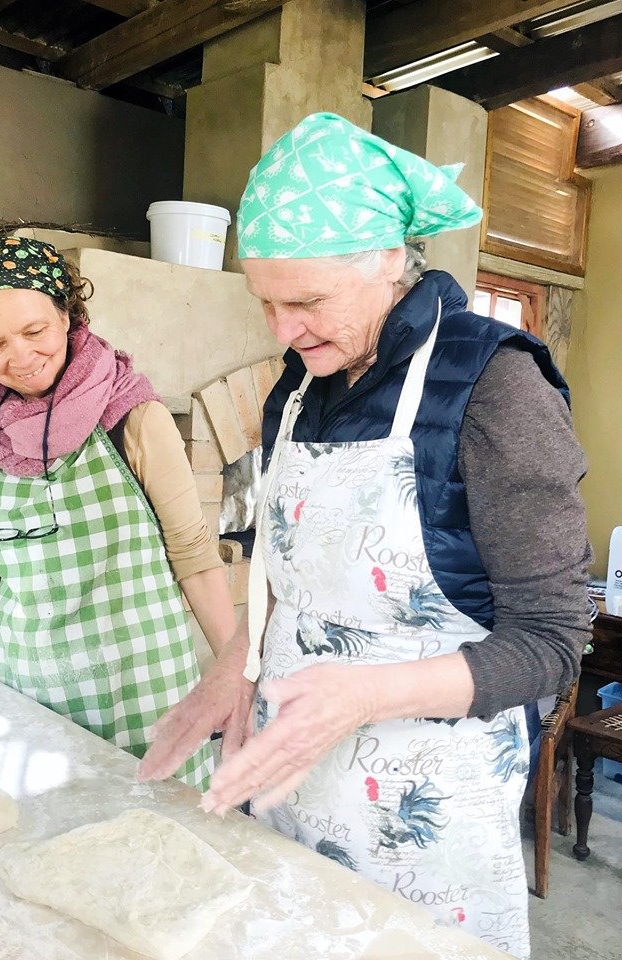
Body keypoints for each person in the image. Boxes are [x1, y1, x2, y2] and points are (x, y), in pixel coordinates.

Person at [137, 114, 592, 956]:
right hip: (291, 771)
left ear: (389, 258)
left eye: (306, 301)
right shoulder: (298, 389)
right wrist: (236, 665)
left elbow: (554, 642)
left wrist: (361, 695)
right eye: (264, 302)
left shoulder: (496, 386)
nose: (283, 331)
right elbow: (287, 575)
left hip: (431, 810)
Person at [0, 234, 236, 790]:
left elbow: (194, 555)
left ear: (67, 314)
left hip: (139, 690)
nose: (21, 357)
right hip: (24, 686)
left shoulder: (133, 416)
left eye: (36, 331)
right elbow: (10, 550)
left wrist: (234, 677)